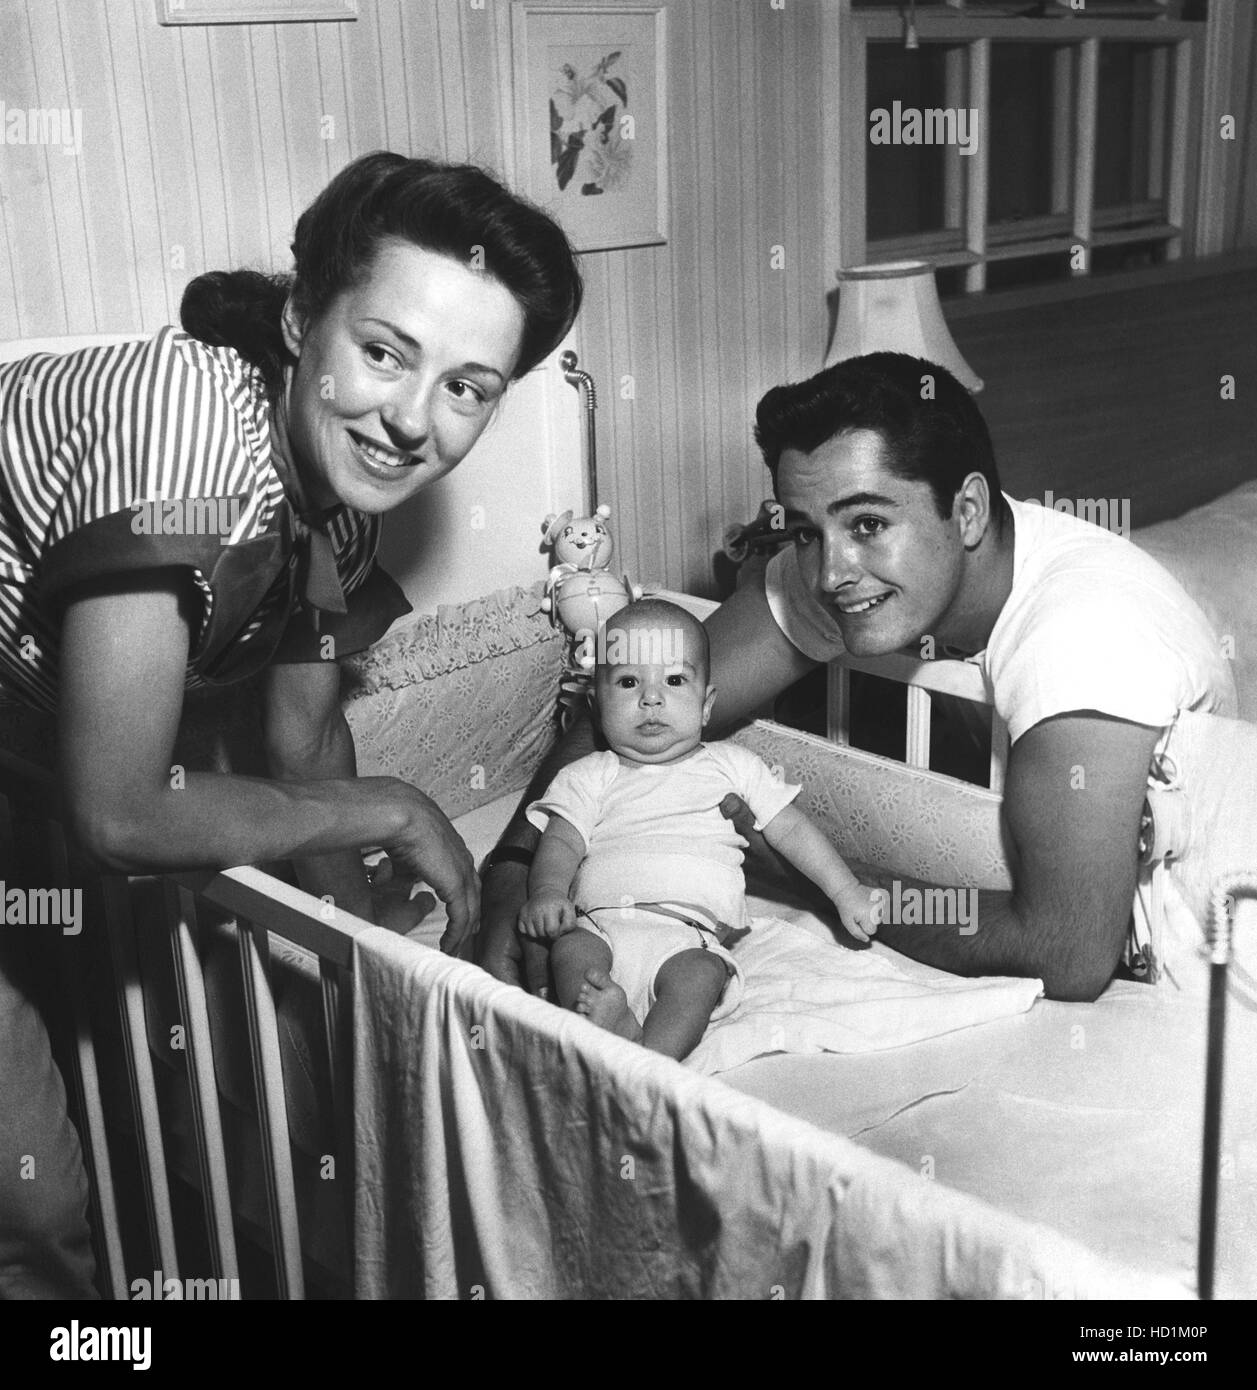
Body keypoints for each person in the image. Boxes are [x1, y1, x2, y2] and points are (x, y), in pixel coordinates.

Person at [0, 152, 581, 1298]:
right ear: (301, 315)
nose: (414, 421)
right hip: (48, 773)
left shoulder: (339, 513)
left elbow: (303, 745)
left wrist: (373, 972)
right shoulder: (185, 434)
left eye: (468, 387)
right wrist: (396, 805)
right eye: (383, 352)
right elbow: (118, 811)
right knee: (36, 1209)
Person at [479, 352, 1236, 1007]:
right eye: (806, 531)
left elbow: (1067, 951)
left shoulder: (1083, 638)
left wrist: (818, 878)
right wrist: (513, 866)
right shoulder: (848, 573)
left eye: (868, 524)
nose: (832, 572)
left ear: (966, 510)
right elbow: (633, 686)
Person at [517, 599, 880, 1060]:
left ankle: (650, 1054)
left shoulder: (731, 766)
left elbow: (791, 829)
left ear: (706, 705)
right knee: (570, 956)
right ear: (597, 704)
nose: (651, 698)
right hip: (600, 924)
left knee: (701, 977)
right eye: (628, 682)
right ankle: (599, 1036)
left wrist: (845, 890)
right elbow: (562, 840)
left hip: (688, 934)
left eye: (674, 681)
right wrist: (547, 891)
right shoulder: (590, 774)